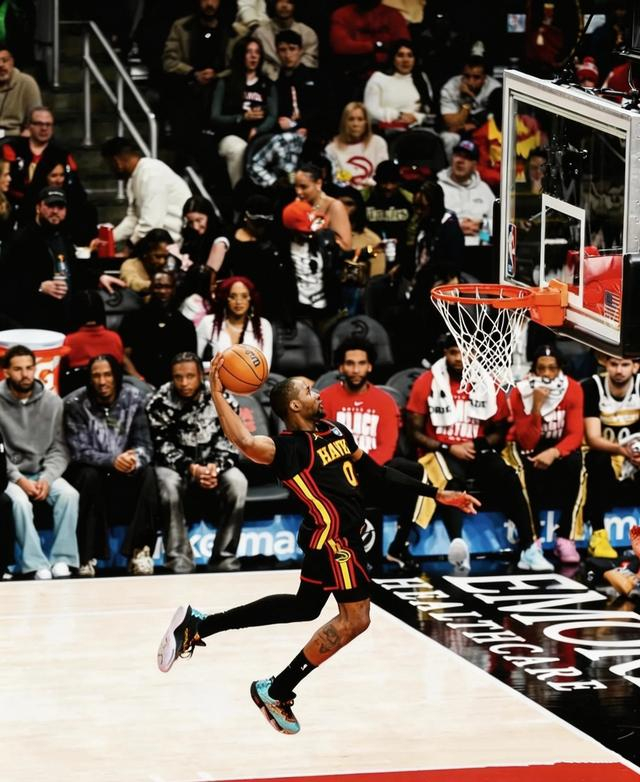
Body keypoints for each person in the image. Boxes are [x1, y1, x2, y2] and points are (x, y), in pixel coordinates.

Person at [157, 356, 479, 735]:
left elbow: (376, 473)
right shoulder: (287, 449)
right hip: (335, 540)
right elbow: (243, 440)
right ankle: (277, 690)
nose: (318, 393)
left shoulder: (335, 430)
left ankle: (201, 625)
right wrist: (215, 390)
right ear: (294, 404)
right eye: (310, 390)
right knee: (356, 619)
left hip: (334, 535)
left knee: (304, 607)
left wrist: (437, 494)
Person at [405, 335, 554, 572]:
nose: (459, 359)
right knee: (450, 480)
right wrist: (448, 447)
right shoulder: (427, 381)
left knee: (509, 475)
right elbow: (413, 432)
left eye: (465, 353)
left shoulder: (488, 383)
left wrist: (476, 443)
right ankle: (458, 546)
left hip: (476, 448)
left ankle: (528, 548)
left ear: (475, 354)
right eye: (453, 352)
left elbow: (501, 430)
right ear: (445, 354)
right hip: (441, 450)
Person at [146, 352, 248, 573]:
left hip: (213, 466)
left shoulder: (223, 398)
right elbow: (160, 446)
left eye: (190, 376)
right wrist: (191, 468)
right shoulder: (159, 401)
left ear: (201, 376)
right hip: (176, 467)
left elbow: (233, 439)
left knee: (238, 482)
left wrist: (214, 467)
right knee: (167, 483)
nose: (184, 383)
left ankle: (224, 558)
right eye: (178, 377)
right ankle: (179, 560)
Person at [64, 354, 158, 577]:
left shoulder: (135, 398)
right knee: (87, 475)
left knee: (149, 474)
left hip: (125, 470)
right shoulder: (75, 403)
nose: (102, 381)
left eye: (107, 375)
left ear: (116, 376)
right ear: (90, 378)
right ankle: (86, 556)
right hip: (94, 471)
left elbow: (145, 445)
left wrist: (133, 459)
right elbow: (78, 451)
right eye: (96, 376)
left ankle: (140, 551)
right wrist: (112, 460)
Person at [0, 345, 79, 579]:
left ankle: (63, 559)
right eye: (18, 369)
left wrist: (47, 478)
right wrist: (19, 479)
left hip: (43, 473)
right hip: (9, 476)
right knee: (19, 503)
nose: (25, 374)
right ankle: (35, 564)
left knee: (69, 495)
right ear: (6, 372)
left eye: (29, 368)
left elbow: (60, 448)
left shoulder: (53, 402)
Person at [504, 344, 586, 564]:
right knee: (522, 470)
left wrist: (554, 452)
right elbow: (526, 440)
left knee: (578, 463)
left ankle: (566, 538)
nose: (547, 374)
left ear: (560, 369)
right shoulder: (521, 391)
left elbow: (575, 434)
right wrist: (537, 407)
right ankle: (532, 542)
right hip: (527, 447)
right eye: (542, 368)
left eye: (552, 368)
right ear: (534, 369)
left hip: (555, 447)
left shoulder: (573, 388)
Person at [0, 186, 123, 331]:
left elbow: (75, 269)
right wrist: (39, 287)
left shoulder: (63, 238)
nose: (55, 211)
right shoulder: (20, 239)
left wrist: (99, 277)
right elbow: (7, 279)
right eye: (50, 206)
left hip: (63, 318)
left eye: (60, 207)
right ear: (38, 207)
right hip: (32, 322)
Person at [581, 355, 639, 559]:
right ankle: (599, 535)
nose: (619, 370)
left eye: (625, 365)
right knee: (598, 459)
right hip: (604, 456)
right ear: (605, 363)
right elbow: (593, 438)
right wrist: (623, 451)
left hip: (634, 458)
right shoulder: (592, 387)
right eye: (614, 364)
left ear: (635, 366)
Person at [161, 0, 235, 160]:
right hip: (187, 89)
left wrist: (216, 75)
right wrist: (193, 73)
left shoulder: (232, 30)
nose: (209, 4)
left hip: (220, 92)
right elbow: (169, 61)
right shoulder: (181, 27)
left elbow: (236, 66)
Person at [100, 137, 191, 250]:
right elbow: (133, 218)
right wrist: (107, 239)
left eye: (109, 165)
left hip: (175, 245)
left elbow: (151, 224)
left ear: (116, 161)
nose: (110, 170)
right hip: (158, 243)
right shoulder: (135, 177)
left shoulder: (152, 173)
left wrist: (129, 248)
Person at [210, 37, 277, 189]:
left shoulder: (267, 84)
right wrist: (242, 117)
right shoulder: (225, 81)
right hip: (230, 135)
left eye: (257, 52)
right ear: (240, 55)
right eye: (249, 52)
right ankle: (239, 194)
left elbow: (273, 116)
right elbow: (215, 117)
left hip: (258, 136)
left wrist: (258, 130)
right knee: (239, 149)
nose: (253, 56)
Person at [121, 271, 197, 388]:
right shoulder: (133, 319)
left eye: (167, 287)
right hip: (139, 385)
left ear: (173, 290)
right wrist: (139, 380)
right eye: (158, 286)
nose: (162, 291)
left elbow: (190, 360)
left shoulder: (185, 325)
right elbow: (123, 355)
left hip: (175, 386)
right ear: (151, 288)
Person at [196, 275, 273, 364]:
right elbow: (197, 362)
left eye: (244, 296)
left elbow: (266, 365)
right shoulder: (208, 323)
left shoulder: (263, 325)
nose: (238, 302)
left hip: (252, 373)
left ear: (250, 299)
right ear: (225, 298)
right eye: (233, 296)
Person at [363, 39, 434, 133]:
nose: (405, 60)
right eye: (400, 55)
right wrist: (398, 115)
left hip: (418, 128)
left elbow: (427, 109)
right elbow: (370, 111)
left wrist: (416, 117)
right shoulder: (378, 78)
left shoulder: (421, 78)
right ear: (393, 58)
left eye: (410, 55)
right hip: (387, 130)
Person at [439, 55, 500, 160]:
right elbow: (452, 124)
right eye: (467, 76)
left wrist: (475, 125)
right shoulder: (450, 87)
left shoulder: (495, 89)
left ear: (485, 78)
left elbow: (499, 121)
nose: (471, 81)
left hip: (484, 129)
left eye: (476, 77)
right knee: (448, 138)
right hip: (459, 130)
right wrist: (467, 100)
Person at [437, 139, 495, 247]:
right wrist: (455, 228)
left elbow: (499, 226)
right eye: (458, 155)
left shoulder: (484, 189)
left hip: (480, 249)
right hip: (446, 248)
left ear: (475, 165)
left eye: (467, 157)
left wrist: (481, 227)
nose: (460, 161)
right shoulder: (438, 187)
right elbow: (429, 225)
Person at [325, 102, 389, 190]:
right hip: (344, 193)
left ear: (366, 122)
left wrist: (369, 184)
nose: (355, 124)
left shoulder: (378, 142)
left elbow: (383, 173)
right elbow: (335, 178)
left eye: (360, 119)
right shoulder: (331, 149)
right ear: (344, 122)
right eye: (351, 119)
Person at [253, 0, 319, 81]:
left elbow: (310, 61)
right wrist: (274, 75)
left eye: (289, 2)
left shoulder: (307, 33)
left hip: (300, 80)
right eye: (280, 1)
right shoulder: (260, 34)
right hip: (269, 81)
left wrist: (292, 74)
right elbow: (257, 61)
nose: (284, 5)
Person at [119, 228, 175, 295]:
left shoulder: (170, 266)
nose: (162, 261)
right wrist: (158, 286)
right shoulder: (130, 264)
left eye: (166, 257)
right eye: (158, 256)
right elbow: (132, 283)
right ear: (146, 252)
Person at [0, 48, 41, 136]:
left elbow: (36, 118)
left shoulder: (27, 82)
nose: (0, 65)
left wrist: (24, 138)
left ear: (12, 62)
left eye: (4, 60)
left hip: (14, 137)